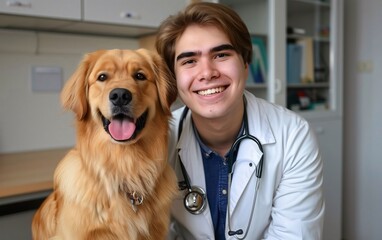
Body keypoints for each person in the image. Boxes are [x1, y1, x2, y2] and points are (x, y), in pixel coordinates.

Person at [155, 2, 324, 239]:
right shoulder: (157, 138)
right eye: (189, 61)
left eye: (221, 54)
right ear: (173, 77)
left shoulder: (293, 135)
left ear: (245, 64)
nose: (207, 72)